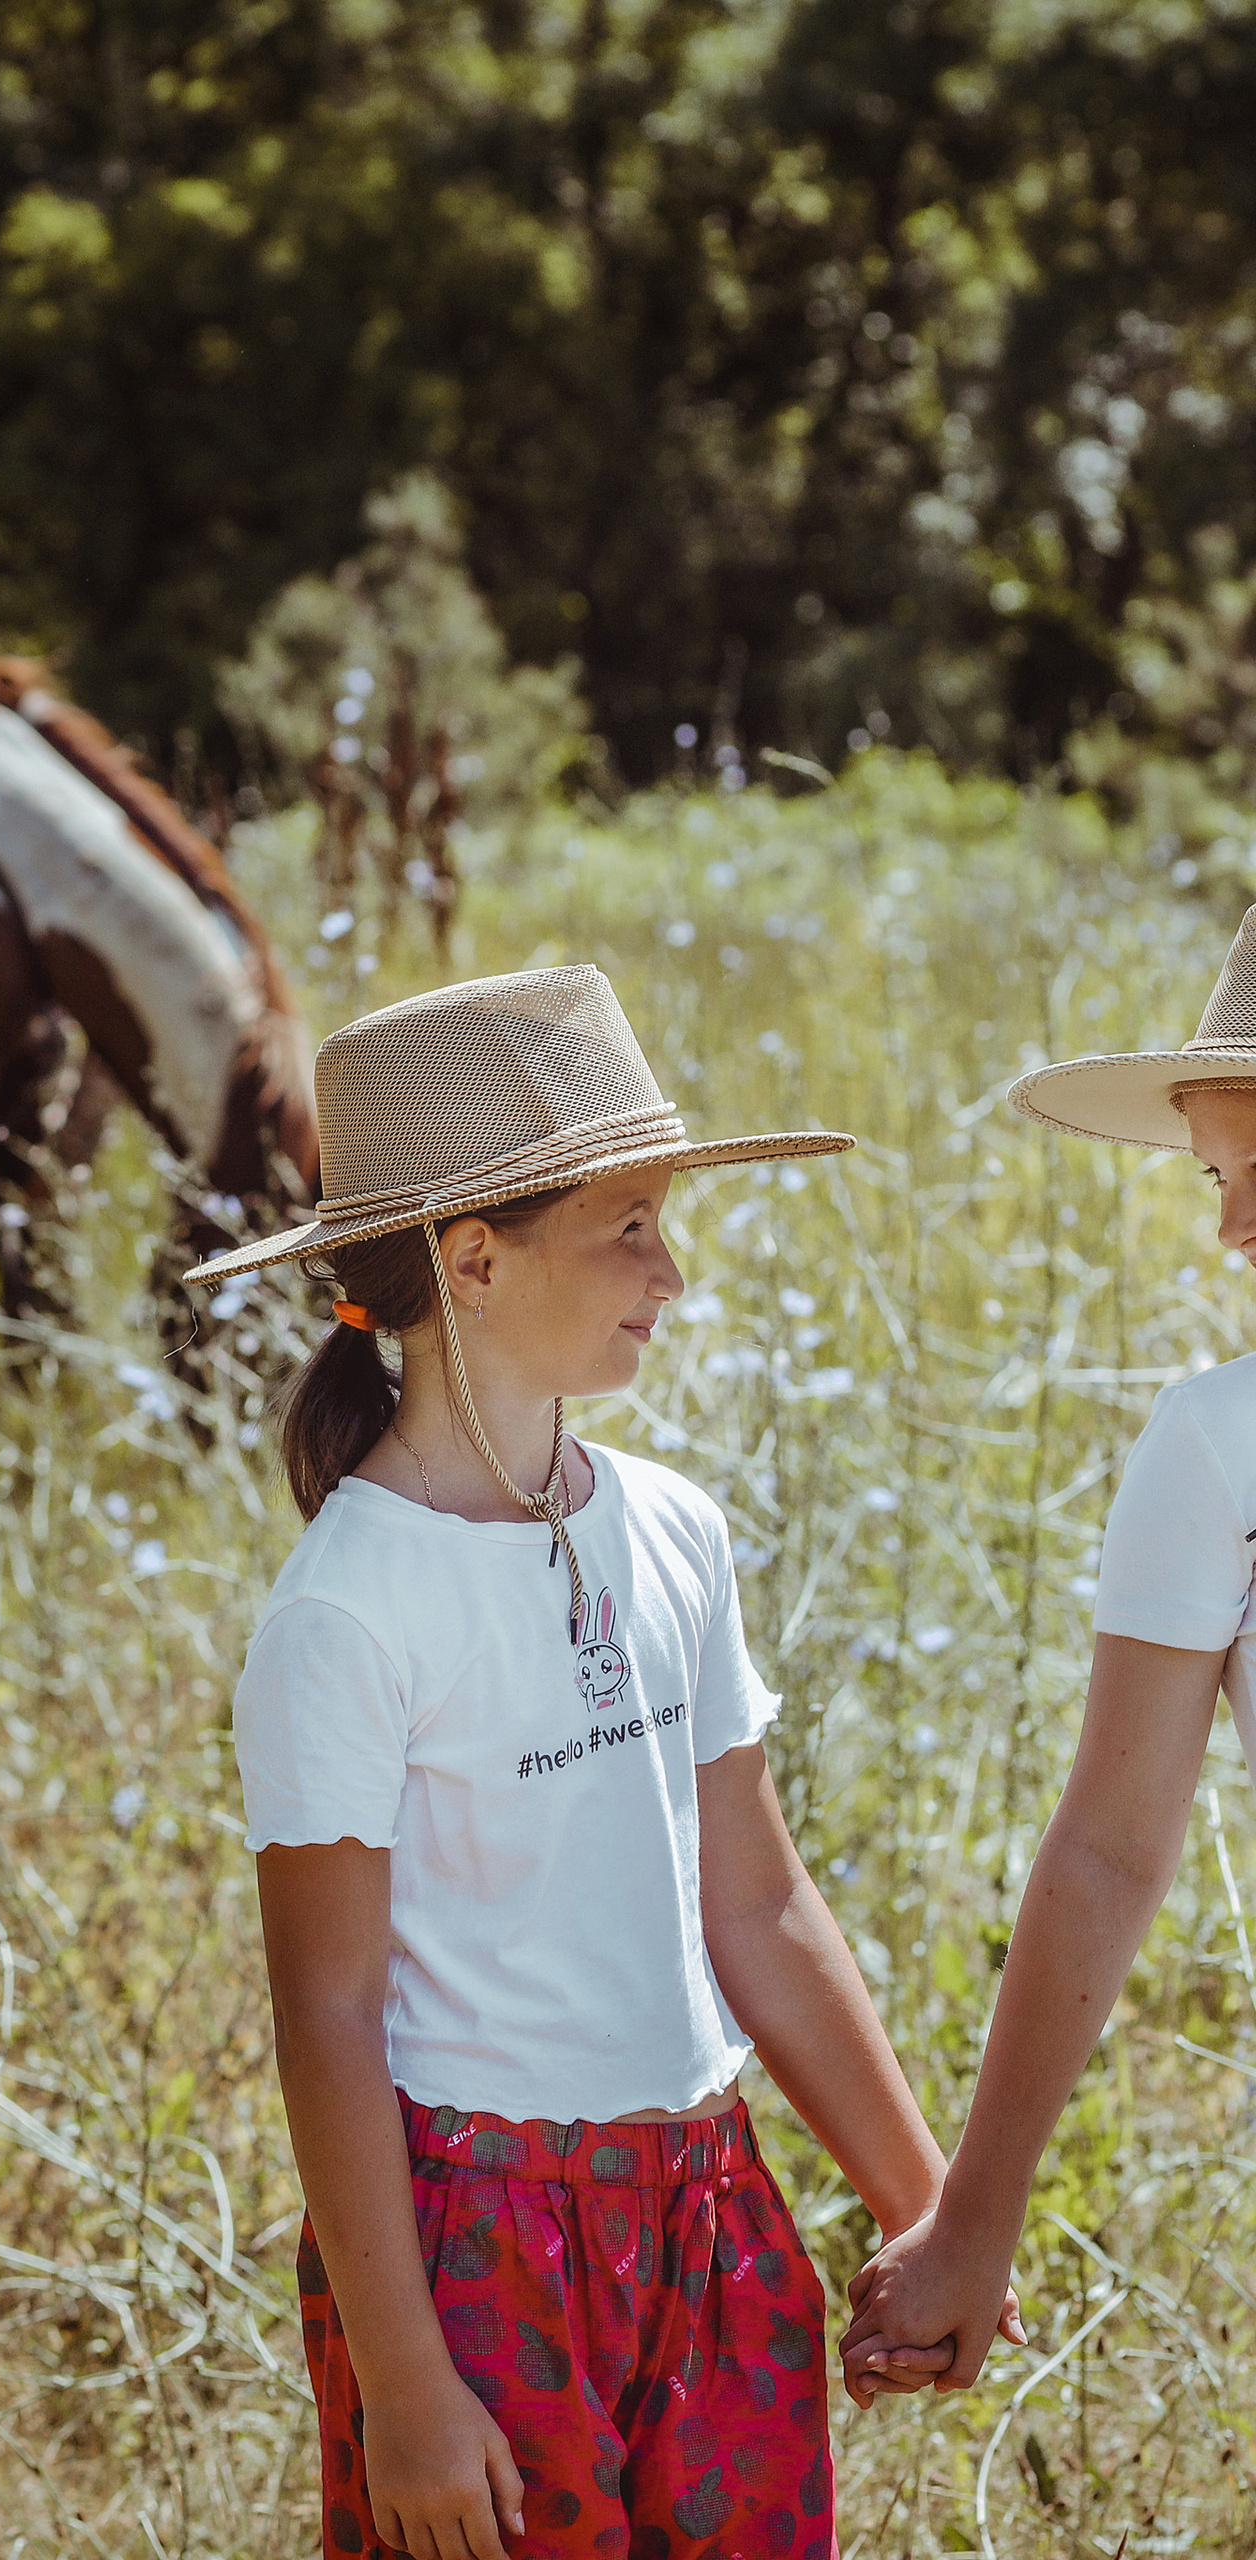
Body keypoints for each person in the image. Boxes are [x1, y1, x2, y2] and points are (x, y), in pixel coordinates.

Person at [191, 964, 977, 2560]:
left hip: (708, 2205)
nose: (671, 1271)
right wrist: (404, 2386)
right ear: (469, 1259)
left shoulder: (673, 1526)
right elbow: (328, 2015)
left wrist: (931, 2209)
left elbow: (758, 1904)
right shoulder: (349, 1609)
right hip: (470, 2249)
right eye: (628, 1225)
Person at [840, 907, 1256, 2400]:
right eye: (1219, 1173)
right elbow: (1110, 1848)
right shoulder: (1218, 1447)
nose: (1229, 1226)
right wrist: (975, 2218)